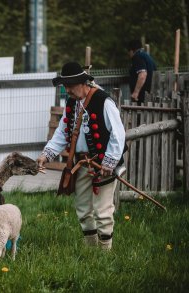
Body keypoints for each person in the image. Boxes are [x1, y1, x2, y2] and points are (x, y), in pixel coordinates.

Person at [37, 62, 126, 250]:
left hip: (102, 166)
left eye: (70, 85)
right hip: (81, 164)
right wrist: (47, 154)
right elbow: (62, 132)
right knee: (84, 211)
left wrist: (109, 163)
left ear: (83, 83)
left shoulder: (104, 101)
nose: (67, 90)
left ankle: (104, 255)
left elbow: (118, 135)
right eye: (65, 86)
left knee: (102, 211)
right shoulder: (71, 103)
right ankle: (91, 252)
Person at [127, 39, 157, 105]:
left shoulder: (137, 57)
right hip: (151, 93)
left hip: (143, 96)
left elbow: (142, 75)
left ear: (131, 51)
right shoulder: (146, 56)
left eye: (128, 52)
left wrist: (135, 93)